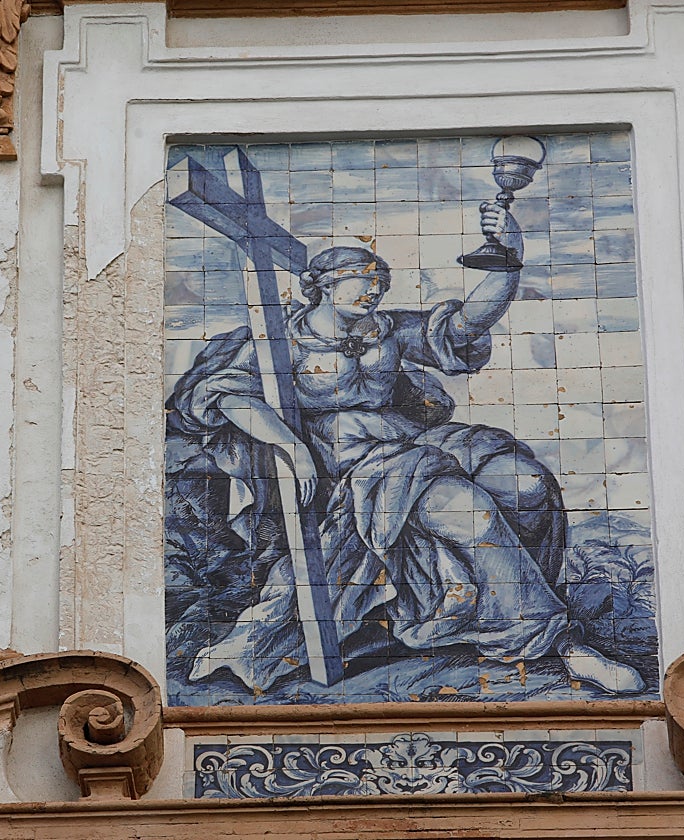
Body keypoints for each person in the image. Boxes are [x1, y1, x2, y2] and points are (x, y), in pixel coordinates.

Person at [164, 203, 644, 697]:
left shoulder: (386, 331)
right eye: (360, 278)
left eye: (380, 281)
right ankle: (563, 644)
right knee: (466, 510)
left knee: (526, 484)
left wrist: (509, 260)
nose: (373, 289)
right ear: (323, 284)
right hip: (352, 465)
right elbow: (224, 392)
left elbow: (465, 325)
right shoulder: (280, 339)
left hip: (414, 443)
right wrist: (289, 444)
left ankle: (491, 611)